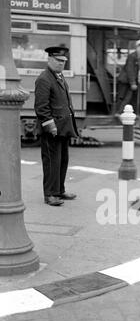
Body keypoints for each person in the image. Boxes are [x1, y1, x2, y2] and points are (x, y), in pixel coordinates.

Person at [34, 46, 78, 206]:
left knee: (62, 160)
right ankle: (50, 194)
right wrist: (50, 126)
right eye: (58, 61)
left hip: (63, 127)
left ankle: (59, 190)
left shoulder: (58, 76)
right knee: (52, 162)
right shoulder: (44, 78)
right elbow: (41, 107)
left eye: (63, 61)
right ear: (49, 59)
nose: (61, 64)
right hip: (52, 129)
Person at [115, 39, 140, 115]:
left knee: (127, 97)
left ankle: (120, 112)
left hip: (129, 81)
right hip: (125, 81)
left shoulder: (138, 57)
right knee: (122, 97)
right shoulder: (132, 56)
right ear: (138, 48)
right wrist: (133, 83)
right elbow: (130, 70)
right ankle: (118, 113)